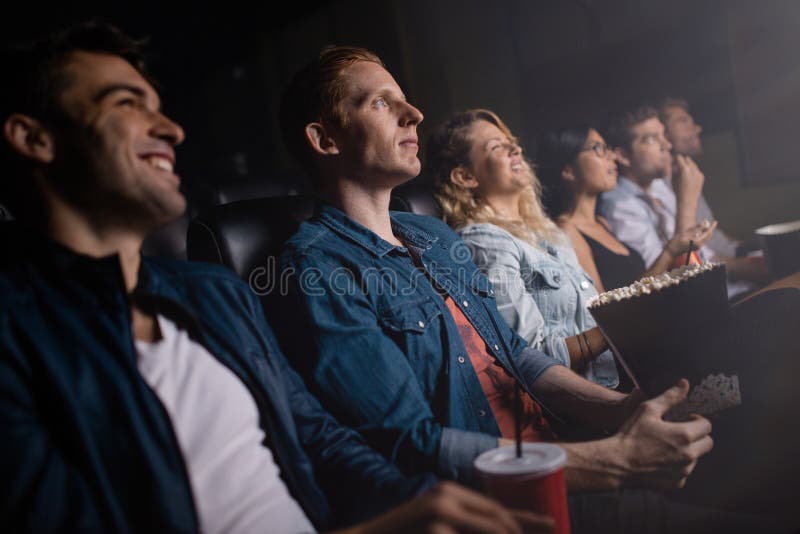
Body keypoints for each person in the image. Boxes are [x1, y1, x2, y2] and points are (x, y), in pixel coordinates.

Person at [0, 21, 555, 534]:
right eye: (126, 103)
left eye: (161, 108)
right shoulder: (19, 333)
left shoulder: (214, 296)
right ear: (34, 138)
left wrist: (422, 505)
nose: (170, 130)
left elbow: (323, 441)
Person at [271, 45, 783, 533]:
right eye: (381, 103)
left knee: (763, 438)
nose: (415, 114)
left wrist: (620, 412)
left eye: (404, 98)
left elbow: (516, 355)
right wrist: (615, 461)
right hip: (509, 502)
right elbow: (411, 445)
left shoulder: (430, 236)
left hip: (566, 446)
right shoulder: (316, 269)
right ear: (326, 140)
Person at [427, 109, 618, 388]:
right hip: (577, 408)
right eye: (497, 146)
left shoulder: (549, 232)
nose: (515, 149)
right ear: (466, 177)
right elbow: (532, 356)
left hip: (613, 379)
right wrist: (619, 329)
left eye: (511, 142)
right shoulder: (483, 241)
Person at [536, 124, 713, 292]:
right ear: (569, 171)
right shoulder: (567, 232)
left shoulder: (602, 223)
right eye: (597, 149)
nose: (612, 157)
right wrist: (669, 252)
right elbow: (603, 308)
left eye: (608, 148)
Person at [659, 97, 768, 296]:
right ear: (663, 133)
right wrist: (749, 266)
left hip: (732, 255)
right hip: (718, 271)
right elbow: (690, 255)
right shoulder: (662, 188)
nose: (697, 128)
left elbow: (713, 232)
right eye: (684, 121)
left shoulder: (688, 174)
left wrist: (746, 247)